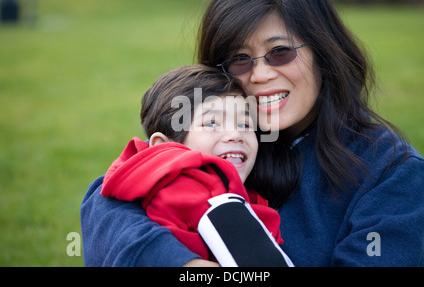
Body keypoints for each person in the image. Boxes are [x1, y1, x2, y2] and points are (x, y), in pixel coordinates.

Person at [81, 0, 424, 267]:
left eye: (280, 52)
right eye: (240, 59)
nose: (260, 75)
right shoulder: (214, 145)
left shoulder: (390, 170)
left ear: (323, 51)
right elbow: (105, 204)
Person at [98, 65, 294, 266]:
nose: (235, 135)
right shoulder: (199, 192)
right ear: (164, 149)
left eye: (245, 124)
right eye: (211, 123)